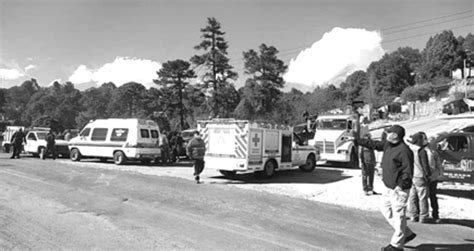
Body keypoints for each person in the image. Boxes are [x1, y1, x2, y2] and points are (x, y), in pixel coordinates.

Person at [353, 125, 416, 251]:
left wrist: (401, 186)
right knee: (386, 209)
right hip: (389, 187)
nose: (387, 134)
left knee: (399, 216)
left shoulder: (404, 150)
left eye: (389, 132)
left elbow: (407, 171)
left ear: (396, 135)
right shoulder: (388, 145)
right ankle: (406, 233)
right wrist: (357, 140)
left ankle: (396, 246)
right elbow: (374, 144)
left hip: (399, 189)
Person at [406, 132, 431, 223]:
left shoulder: (409, 149)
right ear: (418, 140)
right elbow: (425, 165)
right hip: (420, 176)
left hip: (410, 175)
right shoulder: (420, 151)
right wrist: (428, 175)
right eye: (422, 139)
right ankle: (423, 216)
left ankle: (413, 215)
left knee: (412, 196)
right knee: (422, 197)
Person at [426, 136, 443, 223]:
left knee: (432, 196)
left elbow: (438, 164)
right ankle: (422, 214)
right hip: (425, 177)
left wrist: (440, 173)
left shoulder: (434, 153)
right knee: (423, 197)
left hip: (432, 178)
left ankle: (435, 214)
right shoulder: (423, 151)